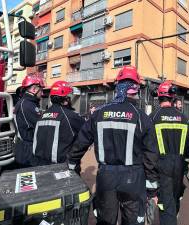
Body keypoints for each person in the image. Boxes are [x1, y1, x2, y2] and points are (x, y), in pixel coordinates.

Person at [67, 66, 159, 225]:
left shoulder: (99, 113)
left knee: (105, 221)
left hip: (106, 177)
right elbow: (151, 155)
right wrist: (152, 189)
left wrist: (71, 166)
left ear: (118, 87)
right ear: (135, 89)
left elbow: (80, 143)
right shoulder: (141, 117)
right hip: (133, 178)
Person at [149, 81, 189, 225]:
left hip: (161, 168)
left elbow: (148, 149)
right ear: (173, 97)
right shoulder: (184, 119)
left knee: (165, 205)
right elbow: (188, 149)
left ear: (158, 97)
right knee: (175, 198)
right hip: (179, 168)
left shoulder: (153, 118)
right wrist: (184, 167)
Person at [32, 81, 85, 166]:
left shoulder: (42, 115)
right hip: (62, 165)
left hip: (40, 164)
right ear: (66, 100)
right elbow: (86, 134)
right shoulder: (70, 116)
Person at [13, 75, 44, 168]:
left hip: (25, 148)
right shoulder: (28, 105)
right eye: (41, 90)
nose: (42, 94)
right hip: (27, 151)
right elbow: (40, 127)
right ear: (34, 89)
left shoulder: (26, 103)